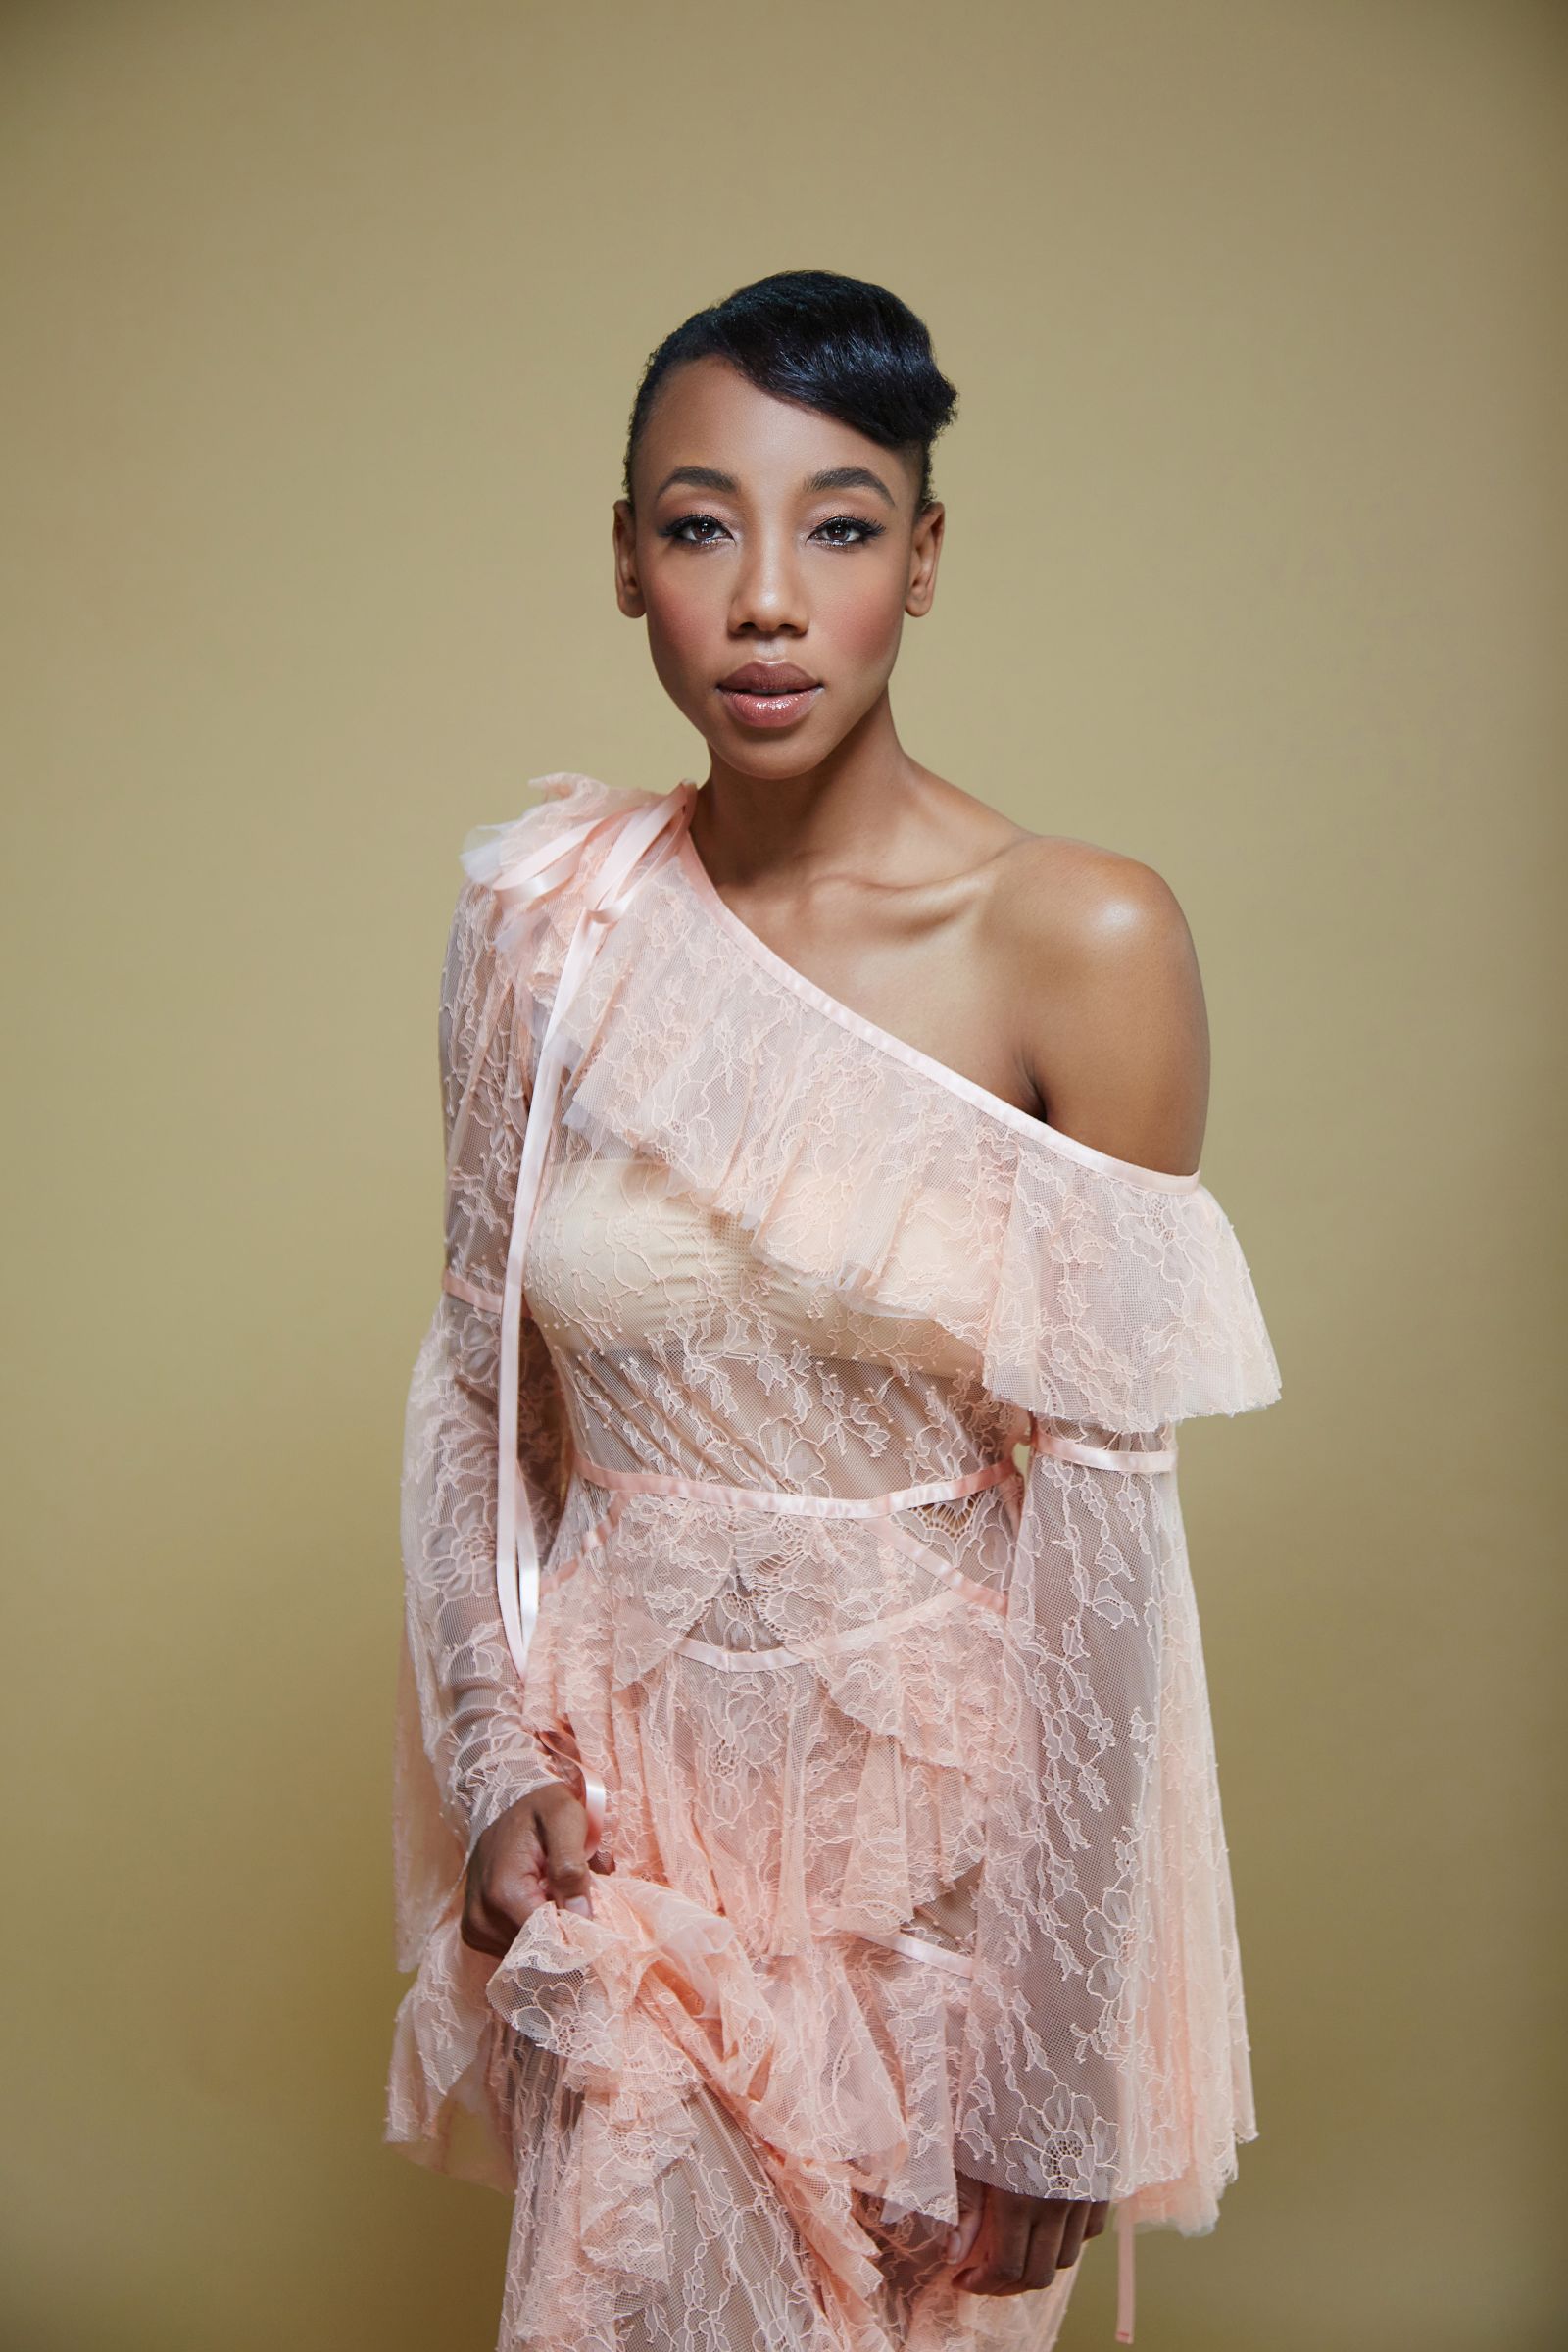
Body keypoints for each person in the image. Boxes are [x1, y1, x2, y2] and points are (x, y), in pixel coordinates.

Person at [384, 269, 1281, 2352]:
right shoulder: (548, 927)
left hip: (935, 1883)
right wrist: (491, 1751)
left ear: (926, 557)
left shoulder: (1080, 939)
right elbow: (473, 1378)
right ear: (628, 561)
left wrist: (1062, 2061)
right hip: (622, 1861)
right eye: (702, 527)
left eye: (842, 525)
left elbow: (1107, 1539)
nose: (769, 600)